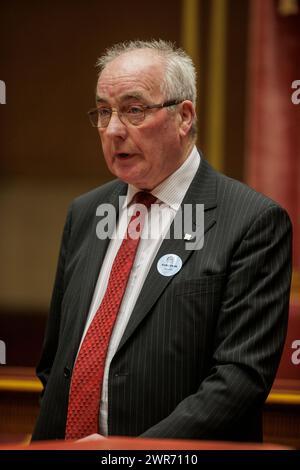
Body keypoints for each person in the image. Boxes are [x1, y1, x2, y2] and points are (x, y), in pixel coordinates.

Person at [32, 39, 292, 442]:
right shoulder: (85, 213)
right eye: (104, 112)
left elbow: (239, 380)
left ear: (183, 116)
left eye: (134, 110)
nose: (114, 129)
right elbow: (56, 360)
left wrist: (133, 453)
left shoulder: (252, 222)